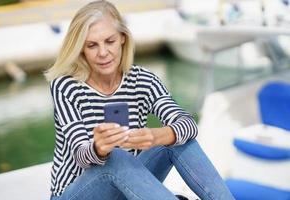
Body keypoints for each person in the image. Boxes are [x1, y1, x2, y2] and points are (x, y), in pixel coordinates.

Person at [45, 1, 235, 199]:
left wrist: (159, 136)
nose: (102, 53)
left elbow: (189, 125)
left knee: (177, 138)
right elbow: (81, 156)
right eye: (92, 45)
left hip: (124, 190)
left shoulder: (143, 80)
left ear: (122, 39)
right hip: (76, 194)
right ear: (81, 49)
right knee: (115, 156)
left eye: (109, 41)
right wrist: (98, 148)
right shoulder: (66, 86)